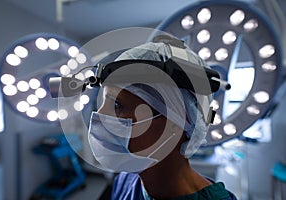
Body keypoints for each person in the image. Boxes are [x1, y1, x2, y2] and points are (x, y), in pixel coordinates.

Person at [87, 35, 238, 200]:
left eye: (118, 106)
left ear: (177, 122)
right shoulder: (127, 179)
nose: (100, 116)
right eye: (103, 102)